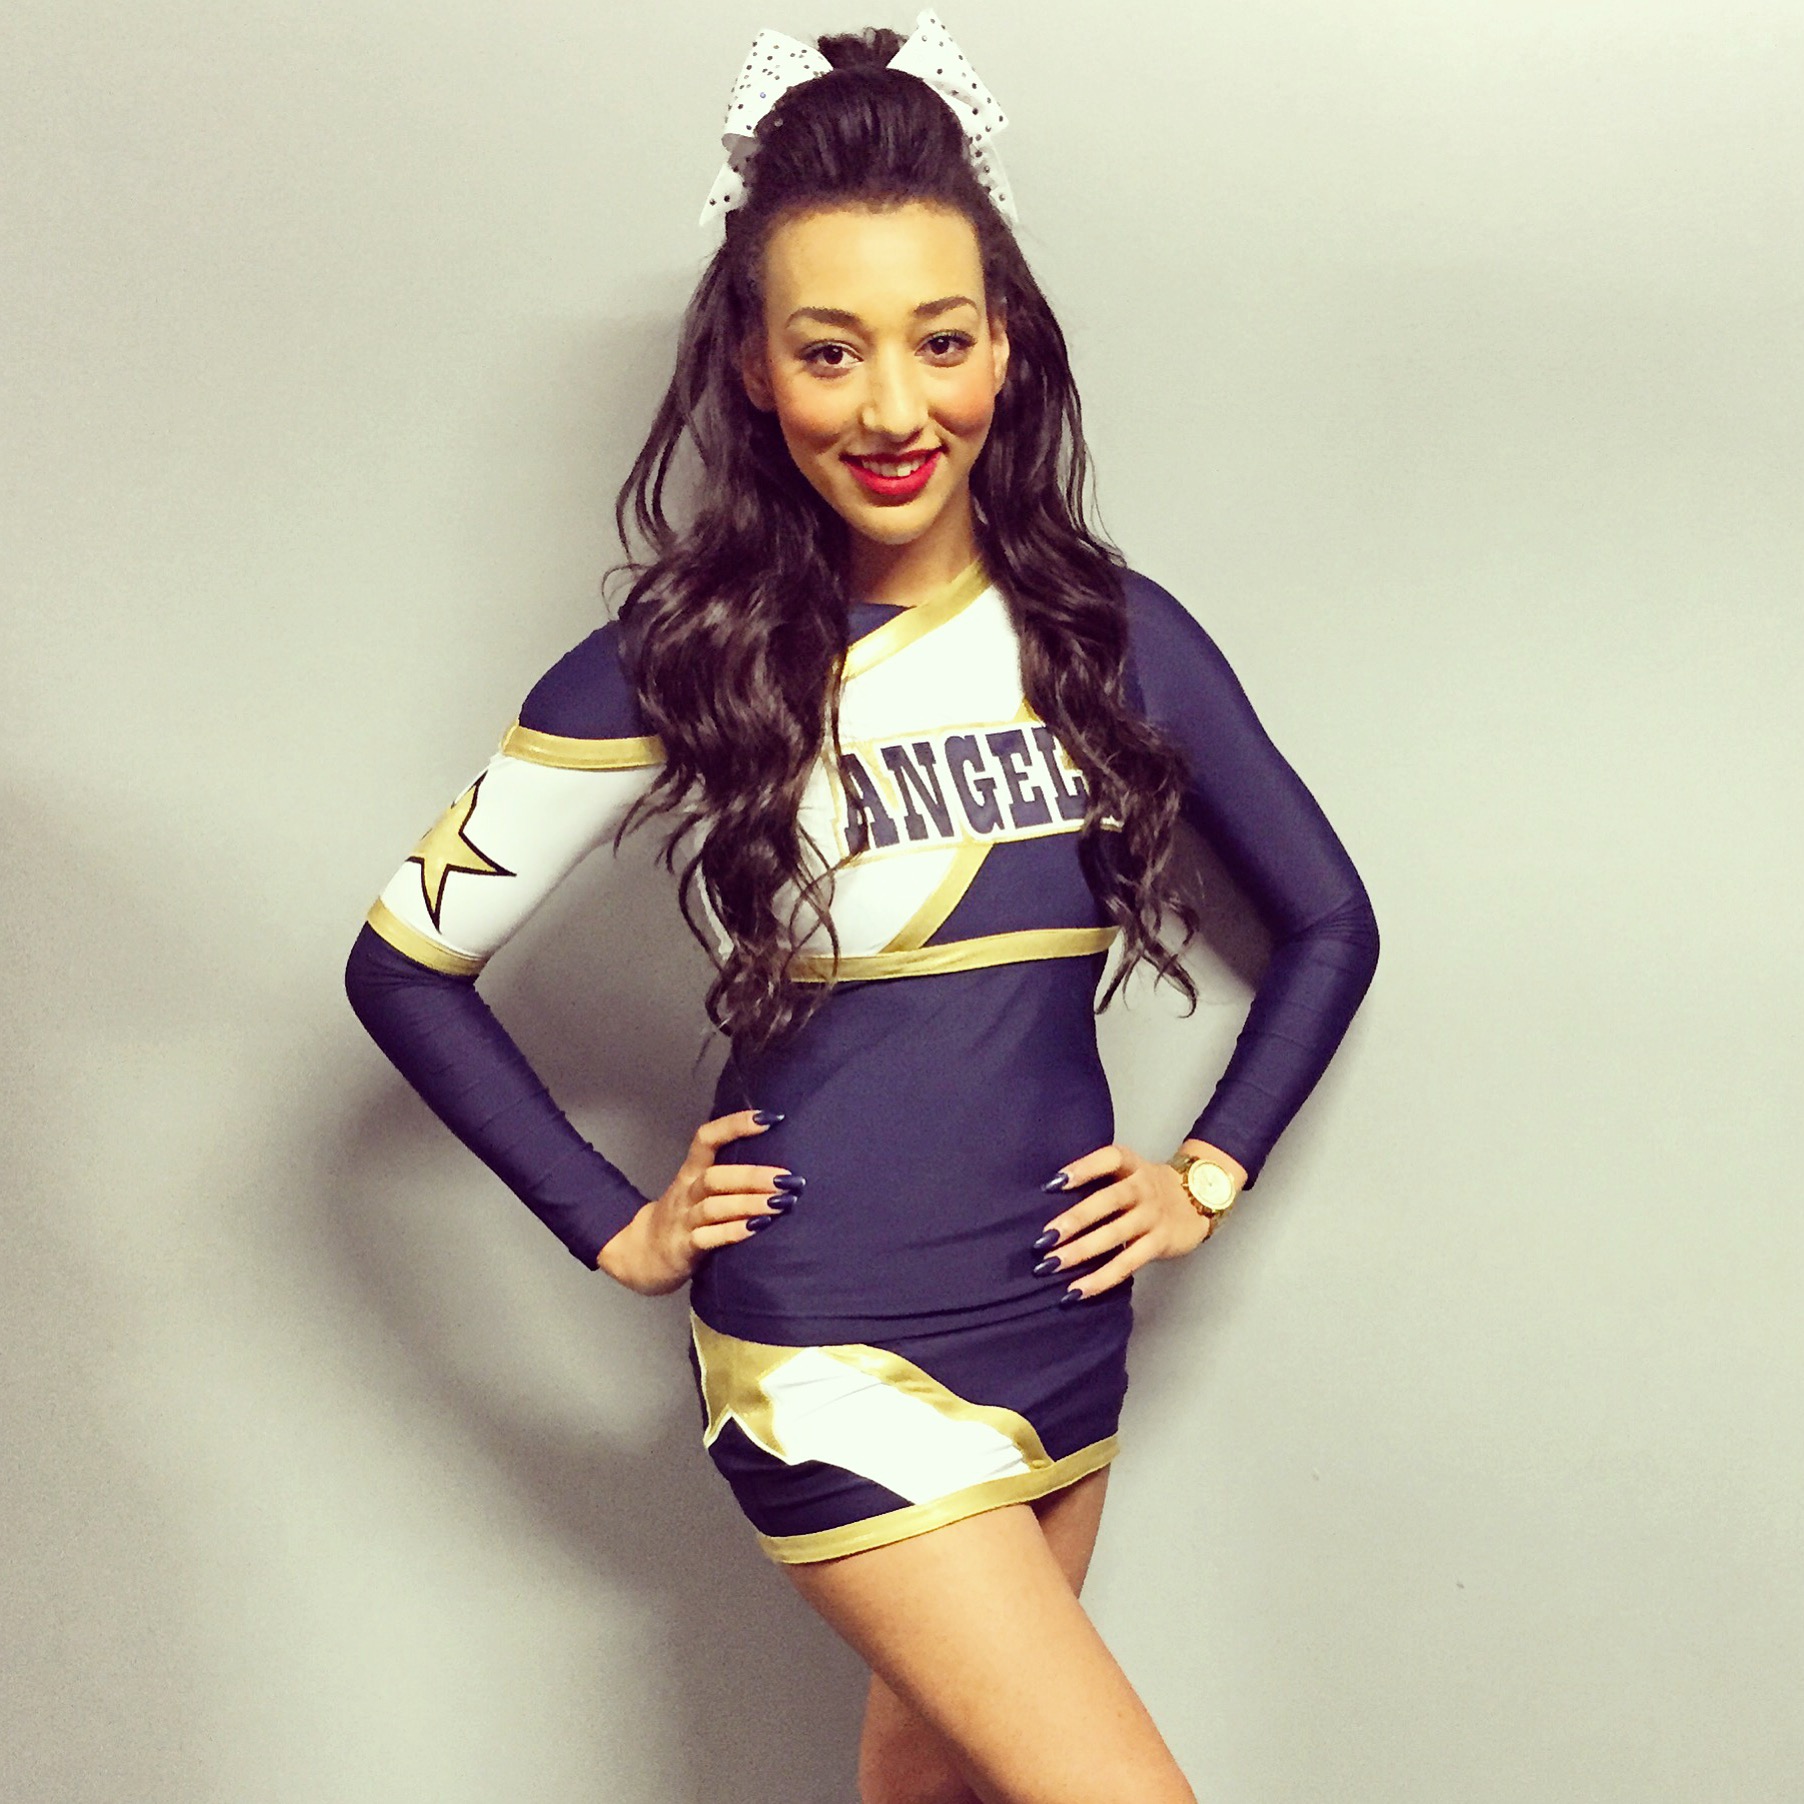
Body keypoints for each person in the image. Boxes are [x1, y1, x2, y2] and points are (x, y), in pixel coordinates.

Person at [344, 15, 1378, 1802]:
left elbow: (1331, 925)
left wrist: (1205, 1175)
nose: (895, 409)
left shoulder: (1112, 636)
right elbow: (403, 969)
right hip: (831, 1341)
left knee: (928, 1783)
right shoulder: (678, 662)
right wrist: (614, 1224)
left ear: (1004, 347)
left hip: (1061, 1322)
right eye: (831, 351)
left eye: (941, 341)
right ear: (756, 369)